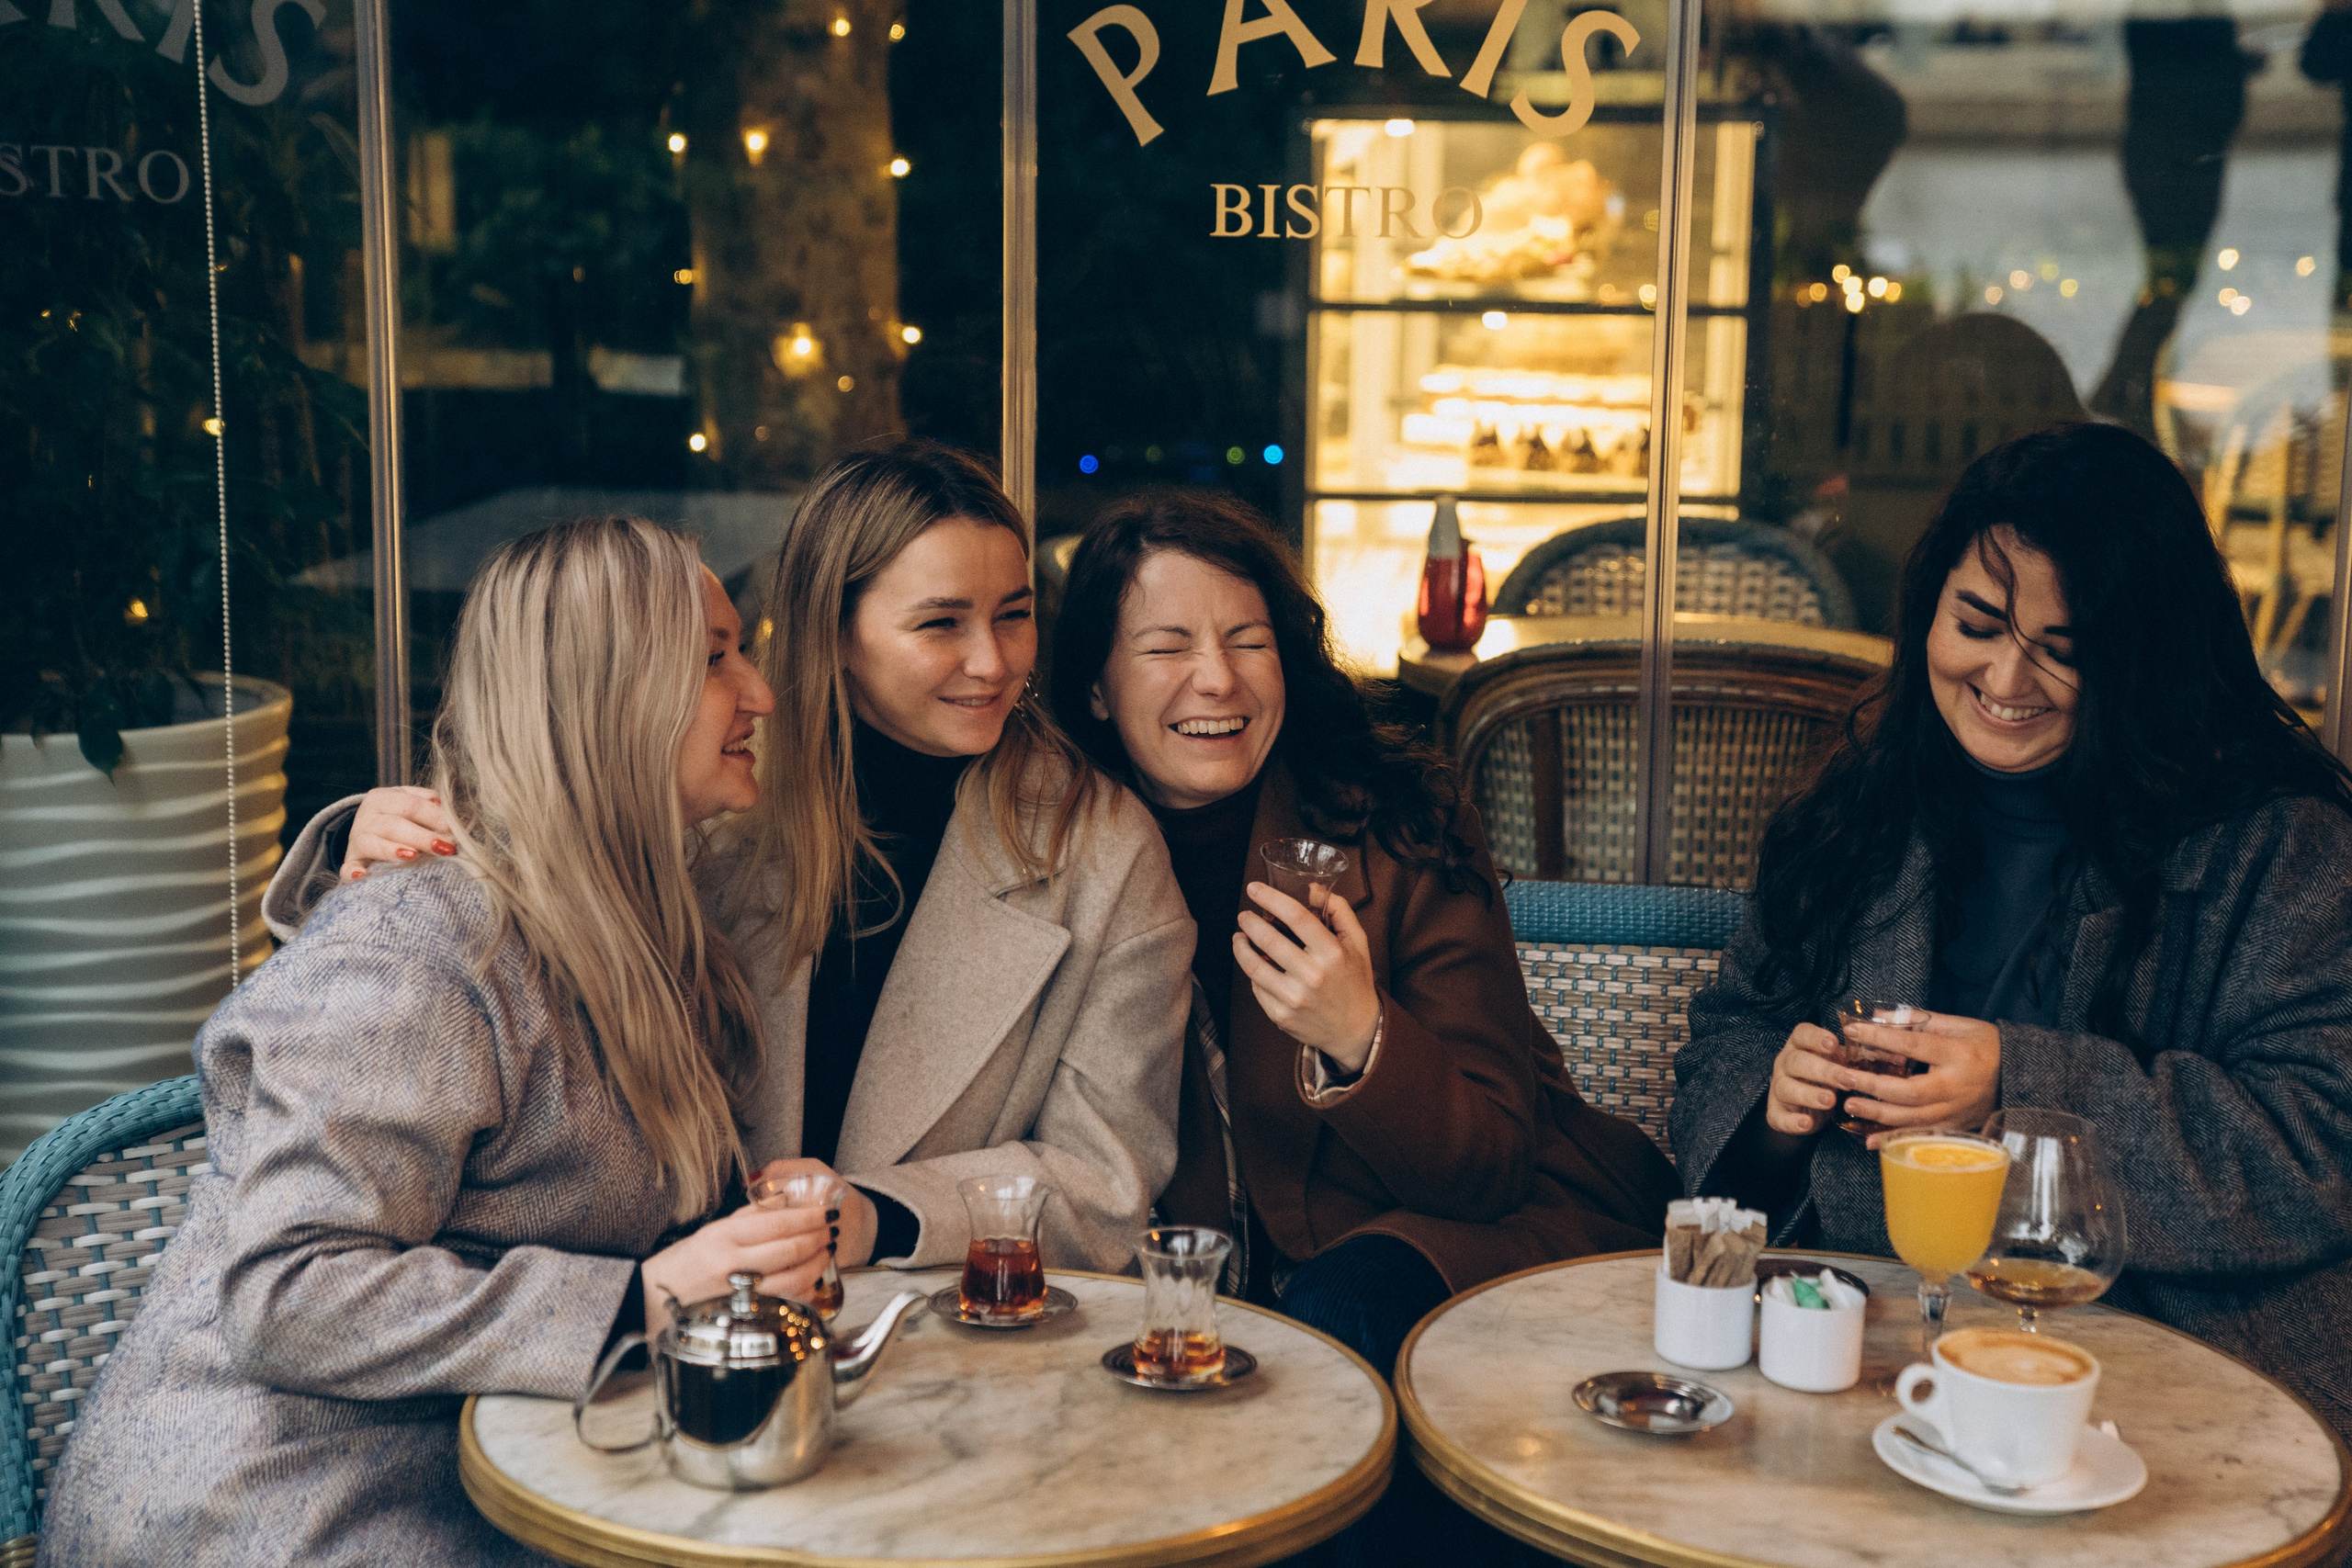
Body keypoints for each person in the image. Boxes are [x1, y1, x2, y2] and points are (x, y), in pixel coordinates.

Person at [39, 518, 832, 1563]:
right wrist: (646, 1300)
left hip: (484, 1474)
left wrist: (753, 1230)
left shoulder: (638, 919)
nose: (762, 693)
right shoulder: (420, 940)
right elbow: (289, 1294)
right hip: (270, 1504)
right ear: (608, 699)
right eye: (717, 657)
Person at [275, 441, 1192, 1274]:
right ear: (834, 630)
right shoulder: (710, 772)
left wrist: (879, 1216)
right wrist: (372, 842)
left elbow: (1106, 1179)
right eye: (940, 624)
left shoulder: (1099, 849)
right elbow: (518, 866)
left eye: (1016, 615)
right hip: (658, 1333)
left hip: (940, 1325)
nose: (992, 661)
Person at [1672, 422, 2352, 1441]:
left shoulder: (2275, 845)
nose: (2003, 680)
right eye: (1978, 623)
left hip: (2182, 1363)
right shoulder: (1857, 808)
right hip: (1866, 1344)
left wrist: (2021, 1093)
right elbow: (1728, 1036)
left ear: (2147, 660)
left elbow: (2322, 1145)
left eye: (2065, 652)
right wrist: (1773, 1107)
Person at [1048, 490, 1678, 1377]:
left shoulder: (1400, 825)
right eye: (1166, 647)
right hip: (1198, 1272)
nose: (1219, 678)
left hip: (1445, 1234)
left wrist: (1358, 1033)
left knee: (1337, 1318)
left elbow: (1493, 1165)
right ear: (1097, 692)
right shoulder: (1062, 855)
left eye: (1249, 641)